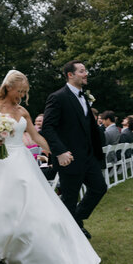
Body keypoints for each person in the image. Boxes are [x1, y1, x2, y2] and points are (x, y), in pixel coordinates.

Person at [0, 70, 101, 264]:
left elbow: (36, 136)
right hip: (0, 160)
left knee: (30, 198)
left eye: (24, 92)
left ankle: (27, 245)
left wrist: (56, 152)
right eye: (19, 91)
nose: (21, 96)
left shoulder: (22, 111)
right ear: (8, 87)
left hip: (21, 157)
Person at [42, 60, 107, 239]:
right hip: (68, 157)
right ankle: (69, 235)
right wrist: (60, 151)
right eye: (82, 71)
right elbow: (47, 127)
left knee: (99, 188)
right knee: (70, 198)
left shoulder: (83, 96)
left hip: (88, 156)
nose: (86, 74)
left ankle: (76, 220)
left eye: (85, 71)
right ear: (70, 75)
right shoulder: (58, 97)